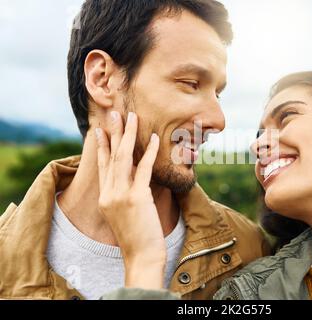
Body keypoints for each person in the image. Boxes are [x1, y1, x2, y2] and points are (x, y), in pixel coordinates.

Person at [0, 0, 270, 300]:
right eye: (191, 83)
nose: (218, 121)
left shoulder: (250, 251)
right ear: (102, 79)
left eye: (217, 93)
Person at [99, 71, 312, 300]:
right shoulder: (249, 299)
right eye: (257, 135)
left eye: (287, 117)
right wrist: (144, 260)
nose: (257, 146)